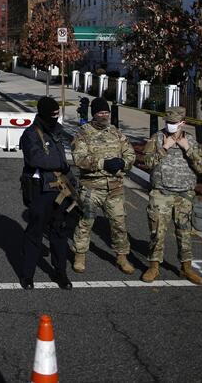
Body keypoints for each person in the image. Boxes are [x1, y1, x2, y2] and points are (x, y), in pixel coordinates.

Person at [141, 106, 202, 285]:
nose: (170, 126)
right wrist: (164, 147)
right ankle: (154, 266)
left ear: (182, 123)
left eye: (174, 123)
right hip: (161, 192)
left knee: (185, 233)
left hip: (184, 195)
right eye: (168, 122)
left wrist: (188, 149)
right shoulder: (157, 138)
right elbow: (146, 163)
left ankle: (186, 268)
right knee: (157, 232)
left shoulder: (191, 140)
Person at [70, 97, 137, 275]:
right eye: (100, 112)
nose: (104, 115)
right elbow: (79, 159)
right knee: (86, 223)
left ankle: (122, 257)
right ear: (94, 114)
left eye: (106, 112)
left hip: (114, 188)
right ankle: (80, 255)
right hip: (92, 188)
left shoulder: (116, 132)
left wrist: (123, 163)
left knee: (119, 224)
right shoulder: (83, 133)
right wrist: (103, 164)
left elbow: (130, 153)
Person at [18, 96, 76, 290]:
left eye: (56, 114)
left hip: (60, 190)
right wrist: (59, 164)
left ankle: (60, 273)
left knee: (59, 233)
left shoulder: (57, 132)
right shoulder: (30, 134)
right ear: (43, 114)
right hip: (40, 192)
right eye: (52, 115)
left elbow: (64, 161)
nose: (55, 118)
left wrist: (71, 181)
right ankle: (27, 275)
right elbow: (35, 159)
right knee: (34, 233)